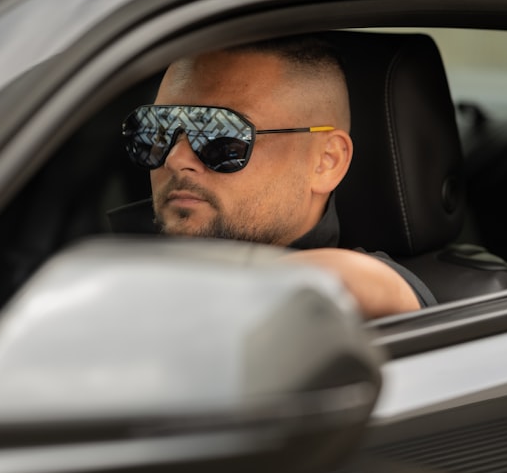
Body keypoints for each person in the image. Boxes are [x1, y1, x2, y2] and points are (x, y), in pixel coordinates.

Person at [112, 35, 435, 318]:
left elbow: (364, 284)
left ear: (326, 161)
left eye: (221, 136)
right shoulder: (108, 256)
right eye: (159, 129)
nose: (175, 158)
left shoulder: (359, 295)